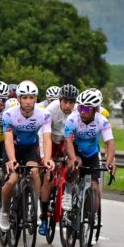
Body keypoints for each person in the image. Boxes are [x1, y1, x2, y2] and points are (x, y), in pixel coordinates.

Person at [62, 88, 116, 244]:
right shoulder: (73, 119)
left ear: (95, 109)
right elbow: (68, 141)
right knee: (73, 168)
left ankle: (91, 220)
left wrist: (110, 160)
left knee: (94, 187)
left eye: (86, 109)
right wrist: (73, 159)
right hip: (75, 151)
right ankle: (68, 192)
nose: (82, 111)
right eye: (80, 107)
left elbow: (109, 142)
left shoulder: (102, 121)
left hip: (92, 154)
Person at [0, 80, 53, 231]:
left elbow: (47, 139)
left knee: (35, 172)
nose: (28, 101)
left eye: (31, 97)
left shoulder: (44, 114)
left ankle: (35, 208)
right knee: (12, 180)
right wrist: (12, 160)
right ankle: (4, 211)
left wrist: (47, 159)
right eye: (25, 98)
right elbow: (8, 140)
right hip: (13, 148)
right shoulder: (9, 114)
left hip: (30, 148)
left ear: (36, 99)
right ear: (18, 99)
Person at [39, 84, 79, 235]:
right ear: (60, 100)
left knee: (72, 165)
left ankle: (68, 193)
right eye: (65, 102)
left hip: (65, 142)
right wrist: (45, 158)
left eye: (71, 102)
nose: (68, 106)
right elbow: (43, 136)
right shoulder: (50, 110)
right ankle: (43, 217)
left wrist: (72, 158)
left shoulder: (77, 111)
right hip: (50, 140)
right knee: (48, 177)